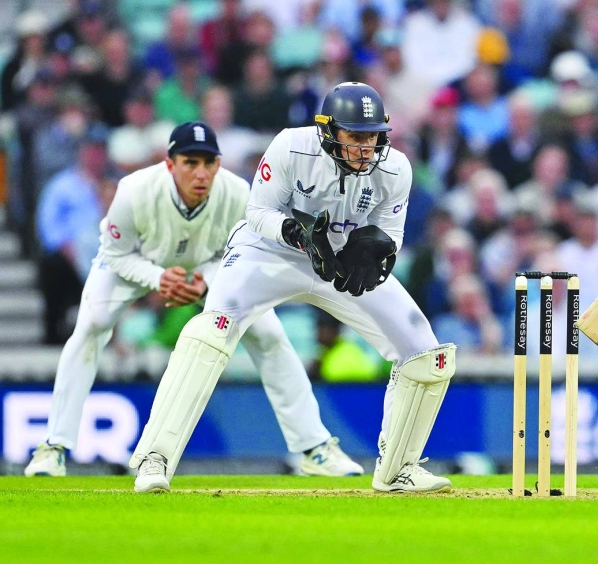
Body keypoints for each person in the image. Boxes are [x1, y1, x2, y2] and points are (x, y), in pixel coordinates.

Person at [127, 83, 456, 494]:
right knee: (210, 332)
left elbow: (392, 234)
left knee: (426, 355)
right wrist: (293, 232)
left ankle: (398, 470)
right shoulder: (290, 147)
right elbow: (257, 211)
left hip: (338, 262)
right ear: (328, 131)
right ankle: (154, 459)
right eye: (354, 136)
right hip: (268, 254)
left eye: (371, 136)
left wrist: (375, 253)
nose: (364, 148)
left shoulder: (397, 169)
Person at [25, 122, 362, 479]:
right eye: (190, 162)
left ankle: (315, 448)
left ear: (218, 164)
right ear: (170, 164)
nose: (201, 173)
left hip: (209, 266)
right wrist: (158, 279)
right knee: (91, 326)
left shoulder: (236, 192)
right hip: (136, 260)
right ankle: (53, 448)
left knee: (270, 335)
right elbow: (116, 254)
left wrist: (206, 284)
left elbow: (248, 254)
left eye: (208, 163)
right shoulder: (134, 190)